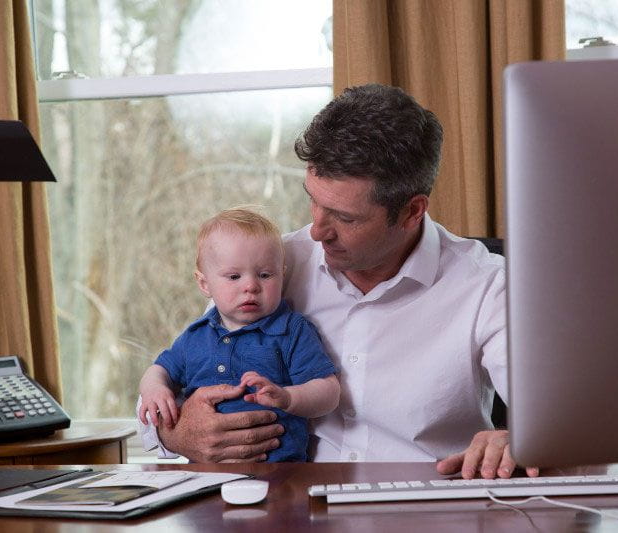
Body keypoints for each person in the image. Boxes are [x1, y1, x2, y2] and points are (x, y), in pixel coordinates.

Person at [141, 84, 538, 479]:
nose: (316, 231)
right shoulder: (268, 268)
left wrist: (519, 438)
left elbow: (559, 422)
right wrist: (177, 434)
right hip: (285, 506)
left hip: (423, 506)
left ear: (411, 211)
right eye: (313, 199)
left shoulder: (487, 285)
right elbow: (166, 396)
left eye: (344, 218)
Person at [138, 208, 340, 462]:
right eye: (234, 276)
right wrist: (154, 389)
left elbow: (328, 391)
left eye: (265, 275)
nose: (251, 286)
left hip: (280, 474)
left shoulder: (292, 330)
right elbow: (159, 370)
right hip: (205, 476)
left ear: (282, 273)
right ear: (204, 284)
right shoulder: (195, 337)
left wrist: (289, 397)